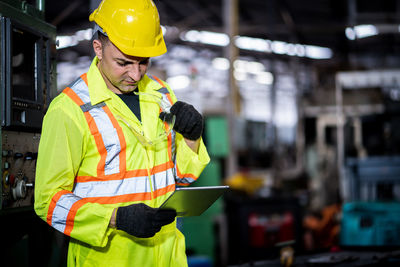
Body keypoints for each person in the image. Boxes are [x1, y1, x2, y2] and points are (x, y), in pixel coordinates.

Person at [34, 0, 210, 266]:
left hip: (167, 256)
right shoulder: (70, 110)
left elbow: (183, 178)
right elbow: (48, 201)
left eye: (143, 63)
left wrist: (192, 138)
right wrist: (115, 218)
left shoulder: (161, 95)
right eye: (124, 62)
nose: (135, 74)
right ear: (98, 48)